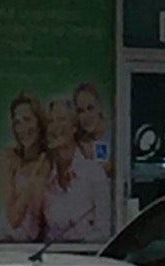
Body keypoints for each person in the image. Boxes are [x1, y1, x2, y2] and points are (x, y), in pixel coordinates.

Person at [41, 90, 113, 243]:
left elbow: (104, 231)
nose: (55, 126)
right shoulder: (44, 177)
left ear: (74, 127)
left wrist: (78, 245)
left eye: (61, 119)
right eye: (51, 121)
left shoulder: (93, 173)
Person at [0, 93, 50, 242]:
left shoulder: (50, 160)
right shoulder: (8, 158)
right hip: (5, 238)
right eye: (17, 123)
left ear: (39, 122)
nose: (22, 128)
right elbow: (14, 219)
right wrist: (31, 180)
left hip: (39, 243)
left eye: (27, 120)